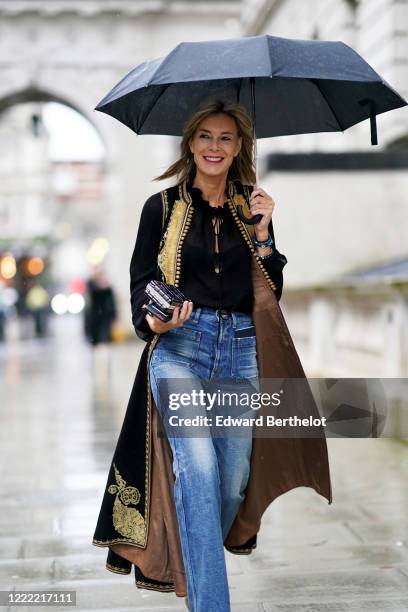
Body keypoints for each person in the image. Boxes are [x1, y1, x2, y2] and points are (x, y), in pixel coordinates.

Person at [92, 100, 332, 612]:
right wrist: (154, 318)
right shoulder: (161, 207)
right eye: (205, 136)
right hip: (180, 352)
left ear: (240, 147)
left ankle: (190, 550)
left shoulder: (253, 208)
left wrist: (265, 237)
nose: (214, 147)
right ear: (190, 144)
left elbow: (272, 291)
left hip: (241, 353)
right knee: (197, 471)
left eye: (226, 138)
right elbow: (139, 282)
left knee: (229, 485)